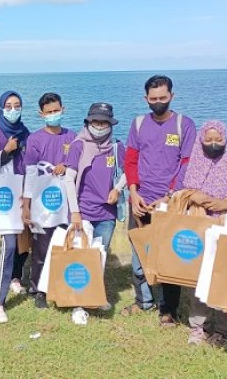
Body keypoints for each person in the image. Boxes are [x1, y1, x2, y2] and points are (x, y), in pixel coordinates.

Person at [123, 75, 196, 326]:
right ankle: (144, 301)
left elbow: (187, 164)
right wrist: (133, 193)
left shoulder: (183, 125)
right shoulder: (139, 123)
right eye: (153, 99)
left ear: (172, 96)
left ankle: (169, 310)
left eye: (162, 98)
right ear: (146, 99)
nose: (158, 102)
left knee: (168, 260)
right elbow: (131, 159)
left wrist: (168, 196)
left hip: (170, 202)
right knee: (139, 255)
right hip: (140, 200)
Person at [173, 120, 227, 347]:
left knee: (225, 279)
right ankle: (198, 327)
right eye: (208, 139)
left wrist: (223, 203)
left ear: (226, 140)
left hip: (226, 230)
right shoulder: (190, 165)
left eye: (218, 139)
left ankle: (223, 329)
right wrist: (192, 196)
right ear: (200, 140)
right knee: (198, 281)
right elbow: (176, 191)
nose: (213, 143)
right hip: (197, 231)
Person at [64, 102, 126, 312]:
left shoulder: (117, 146)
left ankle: (96, 295)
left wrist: (117, 189)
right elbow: (68, 179)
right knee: (81, 257)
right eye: (95, 122)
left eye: (104, 122)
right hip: (83, 213)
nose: (99, 126)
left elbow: (127, 172)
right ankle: (78, 304)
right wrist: (75, 212)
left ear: (111, 124)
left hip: (107, 214)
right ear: (88, 122)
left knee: (100, 255)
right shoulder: (78, 146)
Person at [22, 92, 77, 309]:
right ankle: (38, 290)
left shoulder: (72, 137)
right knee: (40, 251)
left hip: (64, 206)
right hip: (41, 206)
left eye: (56, 110)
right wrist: (26, 205)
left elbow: (76, 167)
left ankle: (60, 286)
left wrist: (67, 166)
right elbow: (30, 173)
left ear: (63, 109)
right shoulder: (34, 139)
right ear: (41, 114)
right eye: (49, 112)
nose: (53, 115)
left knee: (64, 246)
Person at [0, 91, 31, 323]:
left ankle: (15, 278)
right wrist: (6, 152)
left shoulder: (25, 132)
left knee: (24, 243)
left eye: (17, 105)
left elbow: (30, 161)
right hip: (5, 199)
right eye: (8, 106)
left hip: (24, 195)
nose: (13, 110)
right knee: (9, 246)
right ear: (1, 108)